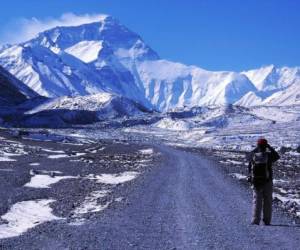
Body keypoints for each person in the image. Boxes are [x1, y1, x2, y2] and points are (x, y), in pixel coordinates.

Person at [247, 138, 280, 225]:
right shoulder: (268, 155)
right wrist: (270, 147)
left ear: (258, 145)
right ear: (266, 145)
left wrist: (256, 148)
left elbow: (247, 157)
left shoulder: (253, 155)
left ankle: (255, 220)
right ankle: (267, 221)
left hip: (256, 181)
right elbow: (277, 156)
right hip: (267, 181)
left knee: (256, 201)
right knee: (267, 201)